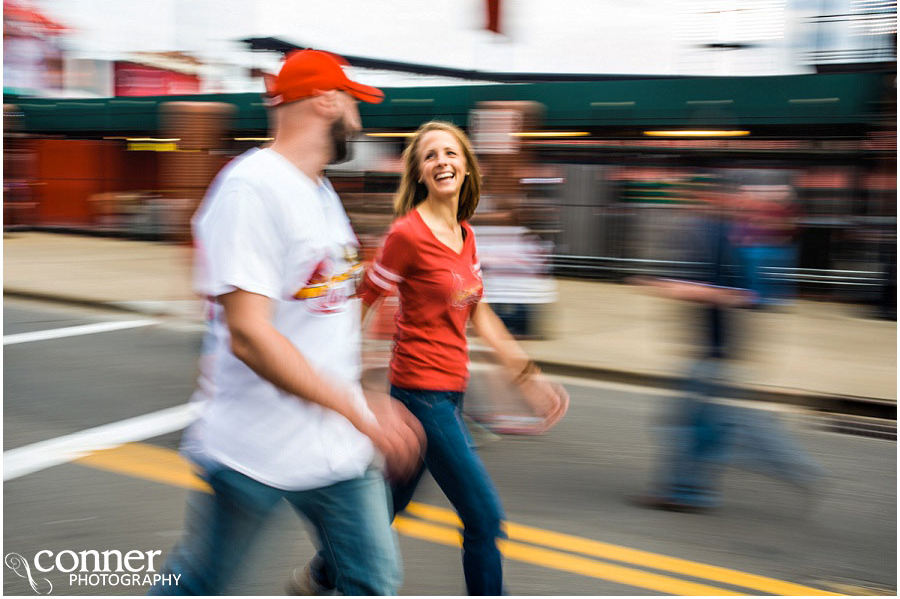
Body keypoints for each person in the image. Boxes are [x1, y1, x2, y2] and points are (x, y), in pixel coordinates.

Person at [149, 50, 425, 596]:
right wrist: (356, 408)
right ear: (326, 101)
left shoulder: (320, 191)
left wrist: (367, 393)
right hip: (253, 448)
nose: (359, 119)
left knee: (372, 583)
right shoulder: (251, 189)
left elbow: (326, 310)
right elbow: (251, 335)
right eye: (353, 102)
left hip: (336, 448)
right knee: (200, 583)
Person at [291, 121, 569, 596]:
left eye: (451, 153)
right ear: (420, 172)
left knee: (388, 505)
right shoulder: (407, 235)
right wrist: (341, 384)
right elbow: (360, 304)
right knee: (484, 518)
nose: (442, 161)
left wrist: (529, 377)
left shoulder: (466, 234)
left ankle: (325, 571)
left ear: (465, 165)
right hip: (421, 395)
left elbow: (481, 315)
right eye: (431, 156)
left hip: (452, 391)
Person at [631, 173, 823, 513]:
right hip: (713, 349)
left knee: (702, 427)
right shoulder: (720, 233)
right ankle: (689, 489)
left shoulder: (738, 239)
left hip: (717, 351)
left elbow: (748, 295)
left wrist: (682, 288)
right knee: (706, 426)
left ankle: (690, 491)